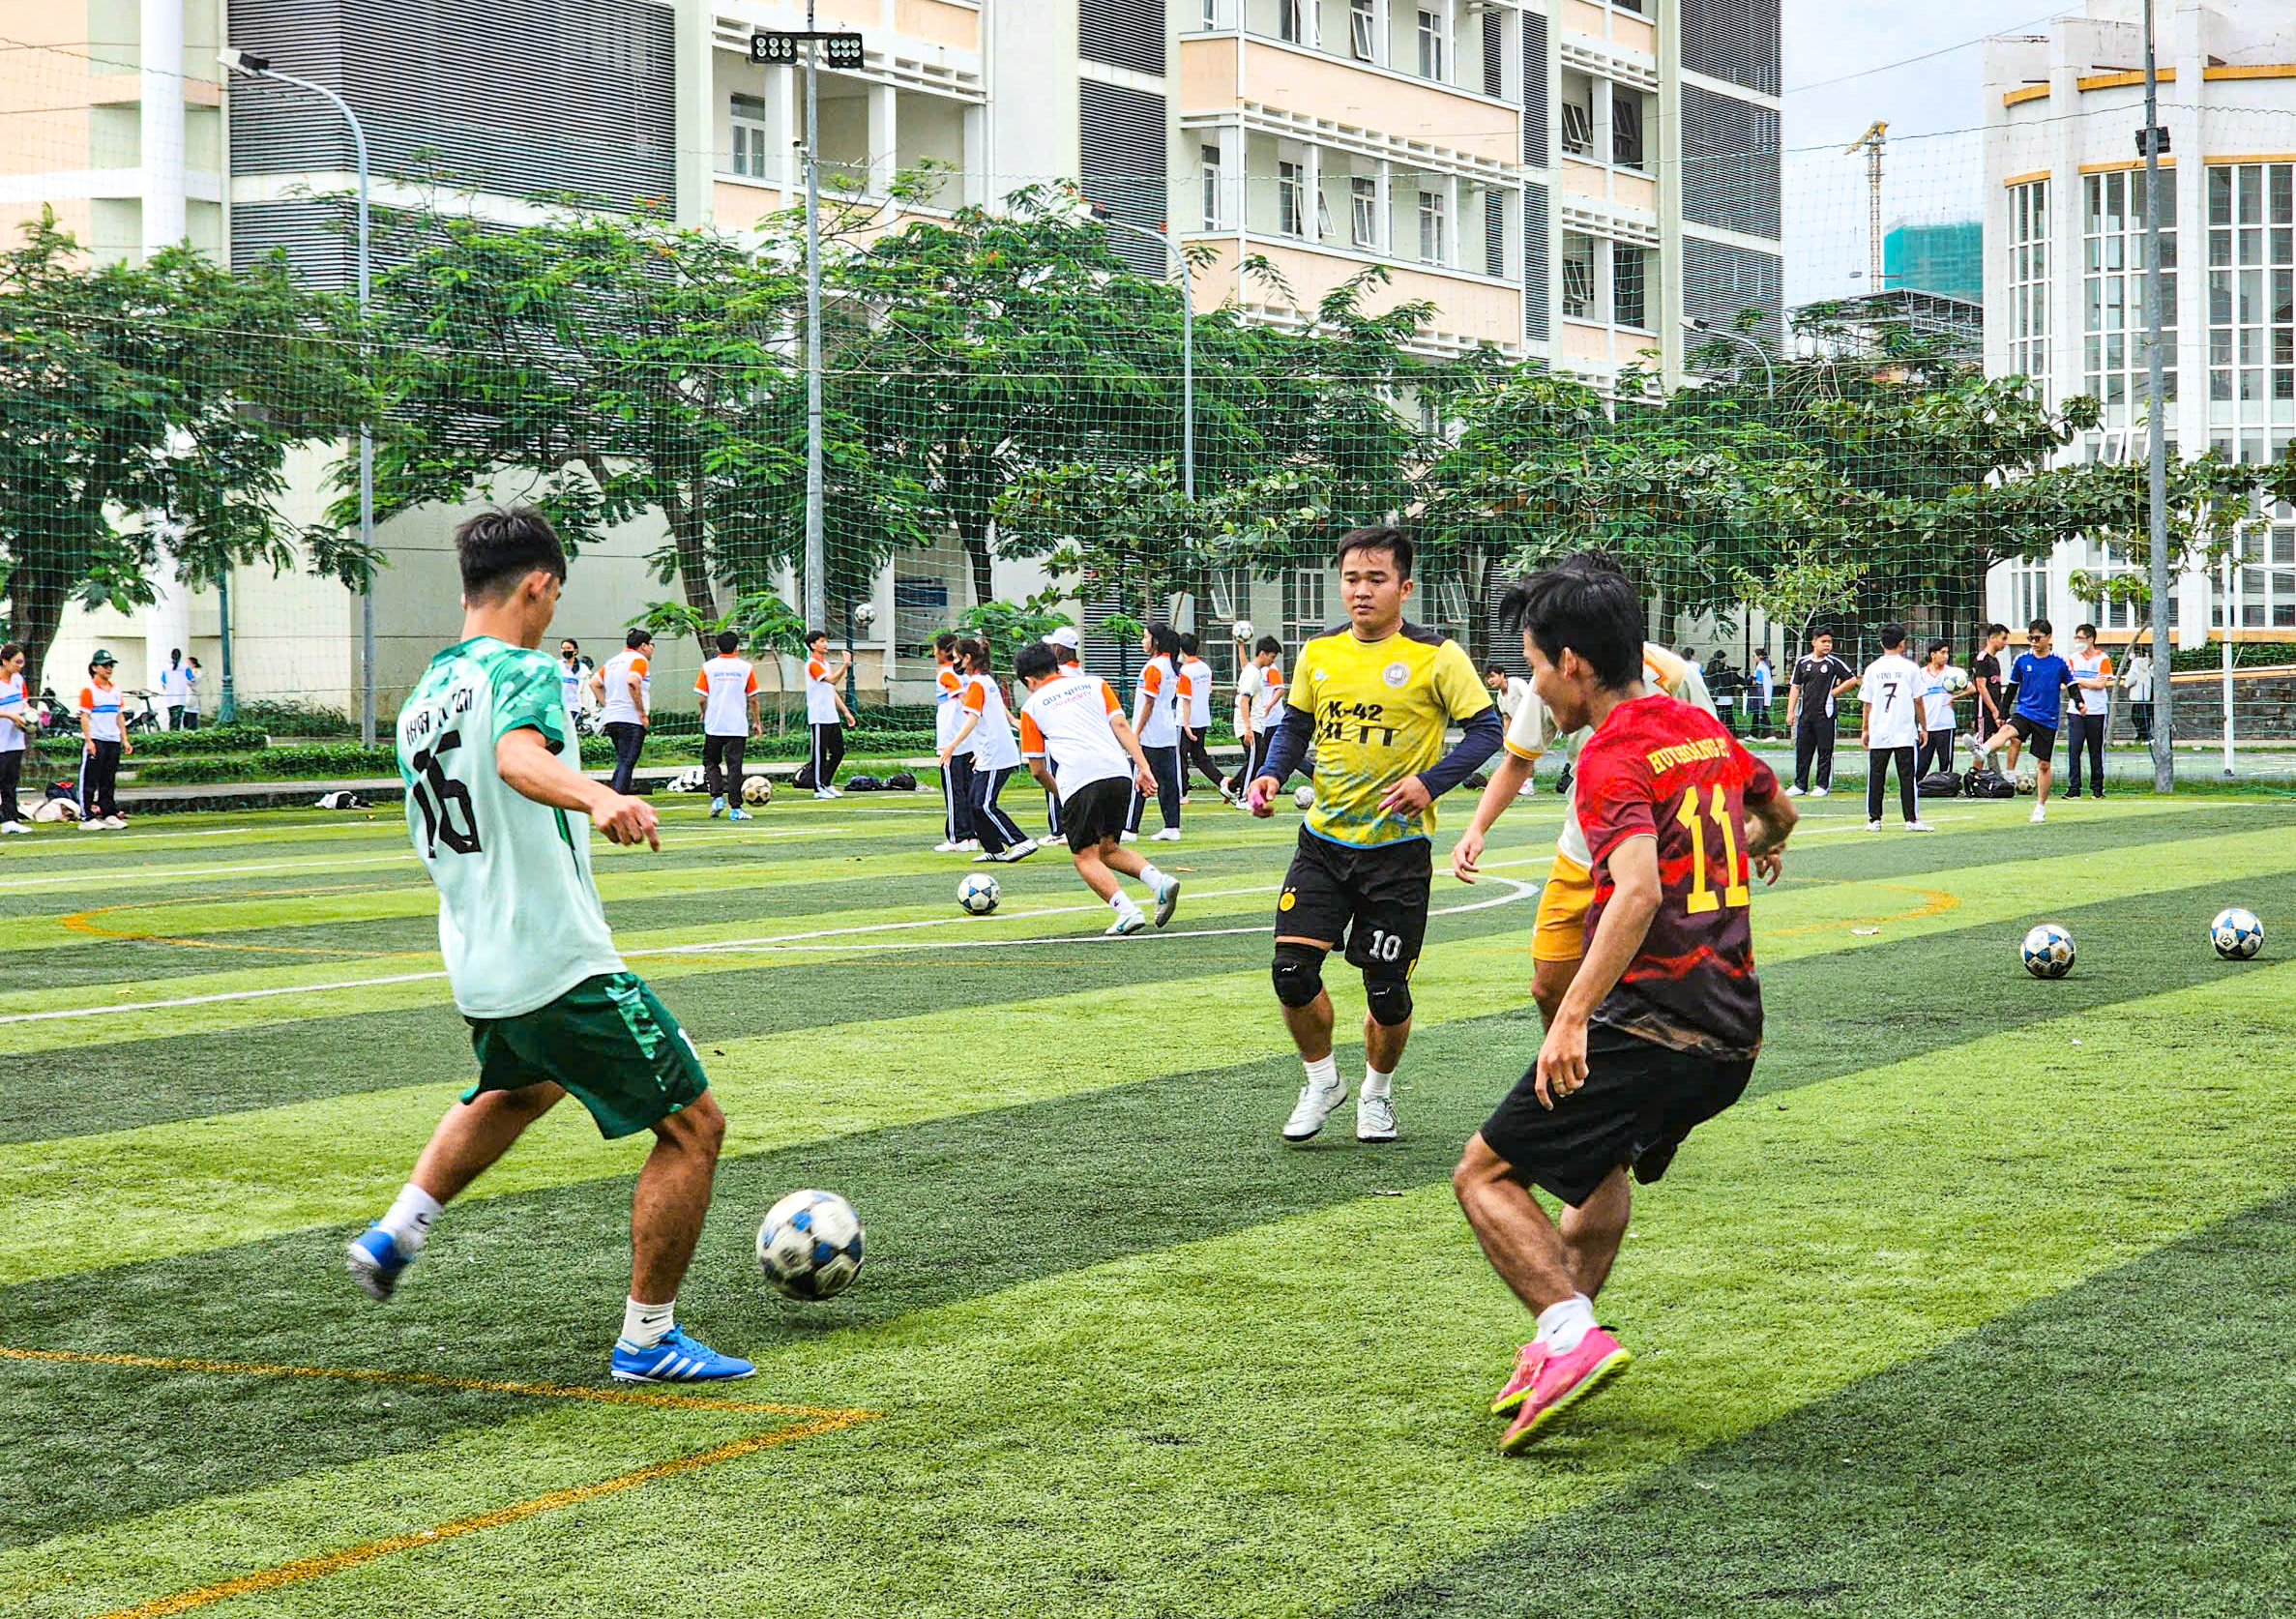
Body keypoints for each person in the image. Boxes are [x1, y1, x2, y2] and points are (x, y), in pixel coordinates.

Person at [345, 507, 751, 1385]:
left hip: (478, 961)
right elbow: (515, 758)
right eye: (554, 597)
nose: (551, 614)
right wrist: (599, 796)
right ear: (538, 584)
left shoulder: (425, 697)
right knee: (694, 1128)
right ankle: (648, 1340)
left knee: (521, 1089)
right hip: (554, 955)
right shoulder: (519, 671)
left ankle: (398, 1229)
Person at [1451, 558, 1796, 1451]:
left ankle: (1569, 1334)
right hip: (1733, 1037)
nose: (1533, 685)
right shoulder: (1698, 725)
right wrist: (1746, 847)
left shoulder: (1611, 751)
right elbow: (1778, 811)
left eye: (1532, 665)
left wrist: (1569, 1019)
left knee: (1484, 1175)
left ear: (1570, 663)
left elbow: (1636, 894)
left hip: (1654, 1028)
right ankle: (1556, 1339)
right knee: (1594, 1167)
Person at [1247, 526, 1502, 1145]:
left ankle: (1376, 1096)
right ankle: (1321, 1080)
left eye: (1376, 579)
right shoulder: (1318, 654)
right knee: (1291, 971)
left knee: (1385, 991)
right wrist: (1271, 775)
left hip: (1398, 854)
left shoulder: (1438, 656)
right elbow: (1294, 727)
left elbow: (1487, 731)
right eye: (1351, 579)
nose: (1360, 591)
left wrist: (1430, 784)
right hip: (1323, 844)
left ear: (1405, 588)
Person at [1455, 609, 1718, 1027]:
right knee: (1548, 987)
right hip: (1580, 854)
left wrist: (1752, 828)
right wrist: (1476, 828)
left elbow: (1713, 757)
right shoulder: (1553, 675)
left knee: (1650, 997)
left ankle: (1611, 1077)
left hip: (1657, 858)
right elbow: (1518, 761)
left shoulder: (1673, 674)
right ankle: (1571, 1072)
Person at [1015, 640, 1182, 936]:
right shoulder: (1095, 684)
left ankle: (1127, 911)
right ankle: (1160, 882)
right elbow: (1121, 726)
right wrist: (1143, 768)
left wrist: (1062, 795)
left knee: (1083, 855)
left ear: (1029, 680)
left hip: (1080, 779)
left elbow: (1038, 770)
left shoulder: (1031, 707)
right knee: (1108, 848)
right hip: (1119, 773)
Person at [1972, 617, 2103, 824]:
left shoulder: (2059, 663)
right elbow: (2012, 689)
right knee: (2007, 731)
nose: (2033, 641)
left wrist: (2080, 703)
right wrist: (2002, 714)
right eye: (2030, 638)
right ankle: (1982, 750)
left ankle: (2040, 806)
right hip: (2025, 712)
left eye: (2037, 638)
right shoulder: (2022, 661)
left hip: (2047, 719)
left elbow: (2072, 686)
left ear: (2048, 638)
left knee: (2043, 765)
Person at [942, 637, 1036, 864]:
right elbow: (993, 713)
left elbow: (973, 717)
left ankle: (1020, 841)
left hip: (996, 754)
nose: (954, 662)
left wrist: (952, 745)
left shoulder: (977, 684)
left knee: (983, 804)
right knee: (974, 804)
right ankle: (994, 849)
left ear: (967, 658)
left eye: (956, 657)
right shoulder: (985, 681)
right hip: (988, 753)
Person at [1858, 624, 1932, 832]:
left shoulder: (1872, 669)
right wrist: (1923, 727)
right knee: (1907, 776)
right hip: (1904, 731)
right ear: (1902, 644)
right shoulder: (1910, 668)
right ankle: (1911, 820)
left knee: (1876, 776)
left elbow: (1868, 703)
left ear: (1882, 643)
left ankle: (1874, 820)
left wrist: (1865, 729)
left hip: (1879, 730)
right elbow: (1918, 700)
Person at [1127, 623, 1186, 841]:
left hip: (1150, 733)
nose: (1143, 642)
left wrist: (1135, 733)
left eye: (1145, 637)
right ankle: (1172, 826)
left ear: (1156, 642)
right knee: (1168, 780)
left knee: (1137, 777)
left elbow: (1148, 704)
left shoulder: (1153, 667)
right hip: (1167, 731)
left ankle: (1129, 829)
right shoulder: (1172, 666)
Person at [694, 630, 761, 821]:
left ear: (717, 648)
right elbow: (753, 698)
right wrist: (756, 721)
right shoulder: (745, 668)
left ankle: (717, 798)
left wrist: (704, 712)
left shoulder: (708, 667)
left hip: (714, 724)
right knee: (734, 767)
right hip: (737, 725)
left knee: (711, 762)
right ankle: (736, 808)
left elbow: (701, 697)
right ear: (737, 647)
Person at [1783, 631, 1856, 797]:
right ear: (1814, 642)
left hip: (1826, 714)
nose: (1828, 645)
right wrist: (1790, 711)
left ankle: (1822, 785)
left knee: (1825, 750)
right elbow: (1795, 686)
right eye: (1824, 641)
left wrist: (1835, 692)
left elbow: (1852, 679)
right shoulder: (1802, 662)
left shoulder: (1833, 663)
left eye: (1830, 642)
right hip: (1805, 714)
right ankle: (1800, 784)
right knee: (1803, 750)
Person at [931, 633, 980, 853]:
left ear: (943, 651)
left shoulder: (945, 672)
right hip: (968, 739)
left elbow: (963, 697)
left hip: (951, 741)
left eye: (935, 649)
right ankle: (970, 836)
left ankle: (956, 837)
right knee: (967, 789)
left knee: (954, 791)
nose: (934, 653)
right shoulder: (969, 674)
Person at [592, 629, 651, 795]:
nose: (652, 649)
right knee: (627, 761)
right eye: (651, 645)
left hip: (612, 718)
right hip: (630, 719)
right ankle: (617, 799)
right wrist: (641, 713)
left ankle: (615, 795)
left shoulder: (612, 662)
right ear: (643, 646)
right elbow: (633, 681)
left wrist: (608, 704)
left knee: (622, 761)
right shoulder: (639, 660)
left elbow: (594, 683)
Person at [1229, 635, 1285, 802]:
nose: (1272, 661)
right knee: (1255, 760)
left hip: (1254, 723)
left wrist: (1240, 647)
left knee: (1258, 758)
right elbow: (1244, 700)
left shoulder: (1253, 670)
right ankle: (1243, 798)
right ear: (1263, 653)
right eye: (1272, 656)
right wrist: (1248, 728)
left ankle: (1232, 787)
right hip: (1250, 723)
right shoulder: (1253, 673)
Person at [77, 650, 130, 830]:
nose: (108, 669)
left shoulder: (116, 689)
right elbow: (84, 717)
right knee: (90, 779)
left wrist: (124, 739)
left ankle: (109, 813)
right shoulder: (89, 690)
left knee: (108, 779)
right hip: (97, 739)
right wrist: (89, 740)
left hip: (112, 739)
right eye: (105, 665)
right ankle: (87, 817)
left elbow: (119, 716)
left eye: (111, 666)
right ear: (94, 668)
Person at [1174, 633, 1227, 803]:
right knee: (1199, 756)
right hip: (1202, 718)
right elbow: (1208, 691)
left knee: (1179, 756)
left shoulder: (1185, 671)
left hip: (1185, 721)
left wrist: (1186, 724)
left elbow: (1186, 700)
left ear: (1181, 649)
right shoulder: (1205, 668)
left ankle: (1182, 793)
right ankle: (1222, 781)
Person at [802, 632, 855, 800]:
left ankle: (826, 782)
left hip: (831, 716)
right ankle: (818, 788)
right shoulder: (812, 664)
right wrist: (845, 665)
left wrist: (845, 712)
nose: (825, 644)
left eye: (826, 641)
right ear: (813, 645)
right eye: (822, 641)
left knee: (838, 751)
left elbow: (831, 690)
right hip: (819, 716)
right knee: (820, 753)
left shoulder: (825, 663)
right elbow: (832, 680)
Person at [2064, 623, 2113, 800]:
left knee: (2095, 749)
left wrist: (2079, 680)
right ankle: (2074, 788)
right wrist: (2087, 681)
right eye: (2076, 638)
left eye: (2081, 638)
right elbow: (2067, 683)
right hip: (2075, 710)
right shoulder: (2073, 658)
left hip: (2097, 710)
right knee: (2074, 749)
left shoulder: (2102, 659)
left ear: (2091, 639)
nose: (2078, 642)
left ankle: (2097, 788)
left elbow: (2101, 684)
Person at [1914, 640, 1967, 778]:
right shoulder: (1920, 674)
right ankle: (1916, 788)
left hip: (1945, 724)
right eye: (1942, 652)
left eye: (1947, 652)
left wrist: (1954, 697)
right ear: (1933, 655)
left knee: (1946, 765)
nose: (1946, 656)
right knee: (1921, 764)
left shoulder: (1952, 673)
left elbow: (1971, 688)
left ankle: (1947, 788)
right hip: (1926, 726)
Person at [0, 642, 31, 834]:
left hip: (14, 739)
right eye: (17, 662)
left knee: (11, 780)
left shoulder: (19, 680)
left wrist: (27, 715)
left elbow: (24, 702)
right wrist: (10, 716)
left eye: (22, 662)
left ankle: (10, 819)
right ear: (4, 661)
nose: (21, 665)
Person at [1969, 623, 2012, 757]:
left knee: (1992, 745)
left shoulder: (1995, 660)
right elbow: (1981, 686)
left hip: (1994, 708)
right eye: (2003, 638)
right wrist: (1994, 710)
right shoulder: (1982, 659)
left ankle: (1992, 775)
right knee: (1981, 746)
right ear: (1992, 638)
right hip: (1984, 709)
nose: (2005, 643)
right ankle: (1975, 774)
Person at [2123, 644, 2156, 743]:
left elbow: (2131, 677)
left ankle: (2144, 735)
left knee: (2138, 715)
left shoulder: (2137, 663)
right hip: (2149, 693)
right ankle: (2144, 735)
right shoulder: (2148, 664)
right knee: (2146, 715)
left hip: (2139, 694)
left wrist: (2127, 684)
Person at [558, 638, 593, 721]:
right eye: (563, 648)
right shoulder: (557, 666)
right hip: (558, 707)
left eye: (569, 648)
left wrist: (588, 708)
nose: (565, 650)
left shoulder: (582, 669)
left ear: (575, 651)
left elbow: (587, 691)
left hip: (574, 708)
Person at [158, 648, 191, 729]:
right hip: (180, 696)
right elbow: (191, 679)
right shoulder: (185, 667)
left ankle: (171, 732)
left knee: (171, 717)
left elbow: (163, 681)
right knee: (178, 719)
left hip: (169, 697)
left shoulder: (166, 667)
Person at [1749, 649, 1775, 736]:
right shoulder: (1765, 666)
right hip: (1765, 693)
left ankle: (1767, 734)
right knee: (1760, 714)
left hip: (1761, 693)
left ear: (1759, 657)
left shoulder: (1760, 667)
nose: (1754, 658)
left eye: (1754, 656)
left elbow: (1757, 681)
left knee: (1761, 713)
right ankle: (1755, 734)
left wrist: (1750, 680)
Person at [181, 658, 202, 727]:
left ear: (193, 664)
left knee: (191, 719)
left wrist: (185, 678)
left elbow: (192, 682)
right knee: (185, 720)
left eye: (188, 663)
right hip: (186, 697)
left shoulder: (196, 672)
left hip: (192, 696)